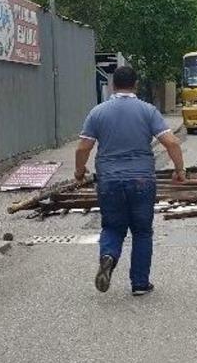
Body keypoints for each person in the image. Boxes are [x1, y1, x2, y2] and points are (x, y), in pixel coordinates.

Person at [75, 66, 186, 297]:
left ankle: (108, 256)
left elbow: (83, 147)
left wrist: (79, 171)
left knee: (113, 227)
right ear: (135, 85)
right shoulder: (148, 111)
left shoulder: (98, 112)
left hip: (109, 180)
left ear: (113, 85)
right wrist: (179, 170)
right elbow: (172, 143)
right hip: (141, 180)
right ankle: (139, 284)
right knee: (142, 231)